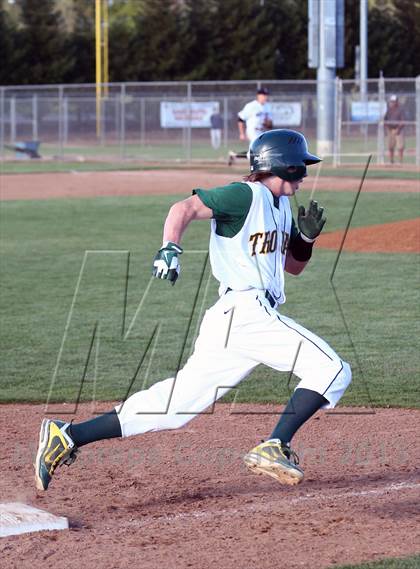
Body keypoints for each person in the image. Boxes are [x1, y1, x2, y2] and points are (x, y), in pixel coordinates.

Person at [35, 129, 352, 492]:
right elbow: (183, 208)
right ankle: (275, 444)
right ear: (281, 165)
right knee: (333, 370)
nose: (305, 176)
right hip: (246, 310)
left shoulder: (279, 207)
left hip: (233, 321)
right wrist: (170, 247)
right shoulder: (242, 194)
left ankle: (68, 436)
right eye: (300, 168)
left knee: (172, 408)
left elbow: (292, 267)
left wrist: (306, 240)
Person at [228, 87, 273, 165]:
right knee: (257, 150)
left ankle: (234, 155)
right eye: (263, 95)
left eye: (266, 95)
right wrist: (241, 133)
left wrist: (268, 123)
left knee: (254, 153)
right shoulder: (251, 106)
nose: (265, 97)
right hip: (252, 131)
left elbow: (270, 125)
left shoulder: (267, 106)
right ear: (258, 95)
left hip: (262, 131)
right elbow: (241, 119)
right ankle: (259, 169)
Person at [384, 94, 405, 164]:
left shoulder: (400, 110)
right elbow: (385, 120)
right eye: (391, 101)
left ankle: (400, 161)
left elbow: (403, 121)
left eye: (393, 101)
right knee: (390, 146)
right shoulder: (388, 110)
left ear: (396, 102)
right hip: (390, 130)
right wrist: (387, 128)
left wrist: (397, 129)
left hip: (398, 130)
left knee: (400, 147)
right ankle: (391, 160)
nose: (392, 103)